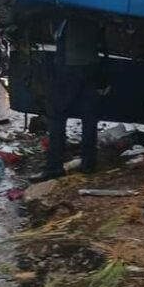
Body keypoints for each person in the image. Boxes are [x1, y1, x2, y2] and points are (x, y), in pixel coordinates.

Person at [41, 16, 103, 180]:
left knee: (56, 116)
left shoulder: (72, 19)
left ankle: (55, 166)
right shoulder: (92, 16)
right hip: (90, 68)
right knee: (89, 118)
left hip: (71, 70)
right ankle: (88, 164)